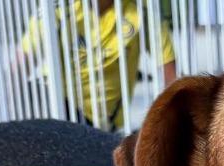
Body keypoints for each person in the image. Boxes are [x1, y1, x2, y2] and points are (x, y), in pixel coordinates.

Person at [21, 0, 177, 130]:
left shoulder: (141, 12)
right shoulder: (58, 8)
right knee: (27, 94)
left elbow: (171, 78)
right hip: (52, 102)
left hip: (93, 121)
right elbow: (20, 66)